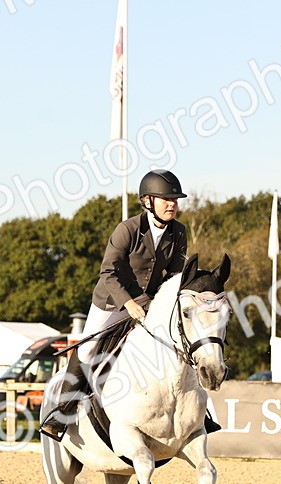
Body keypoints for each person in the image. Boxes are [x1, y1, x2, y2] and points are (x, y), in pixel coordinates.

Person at [40, 169, 189, 440]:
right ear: (148, 201)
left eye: (175, 200)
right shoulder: (128, 229)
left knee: (179, 343)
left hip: (149, 304)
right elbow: (108, 272)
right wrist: (129, 303)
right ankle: (60, 414)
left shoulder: (179, 232)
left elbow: (175, 276)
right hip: (111, 301)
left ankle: (198, 416)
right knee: (86, 350)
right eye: (166, 199)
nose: (172, 204)